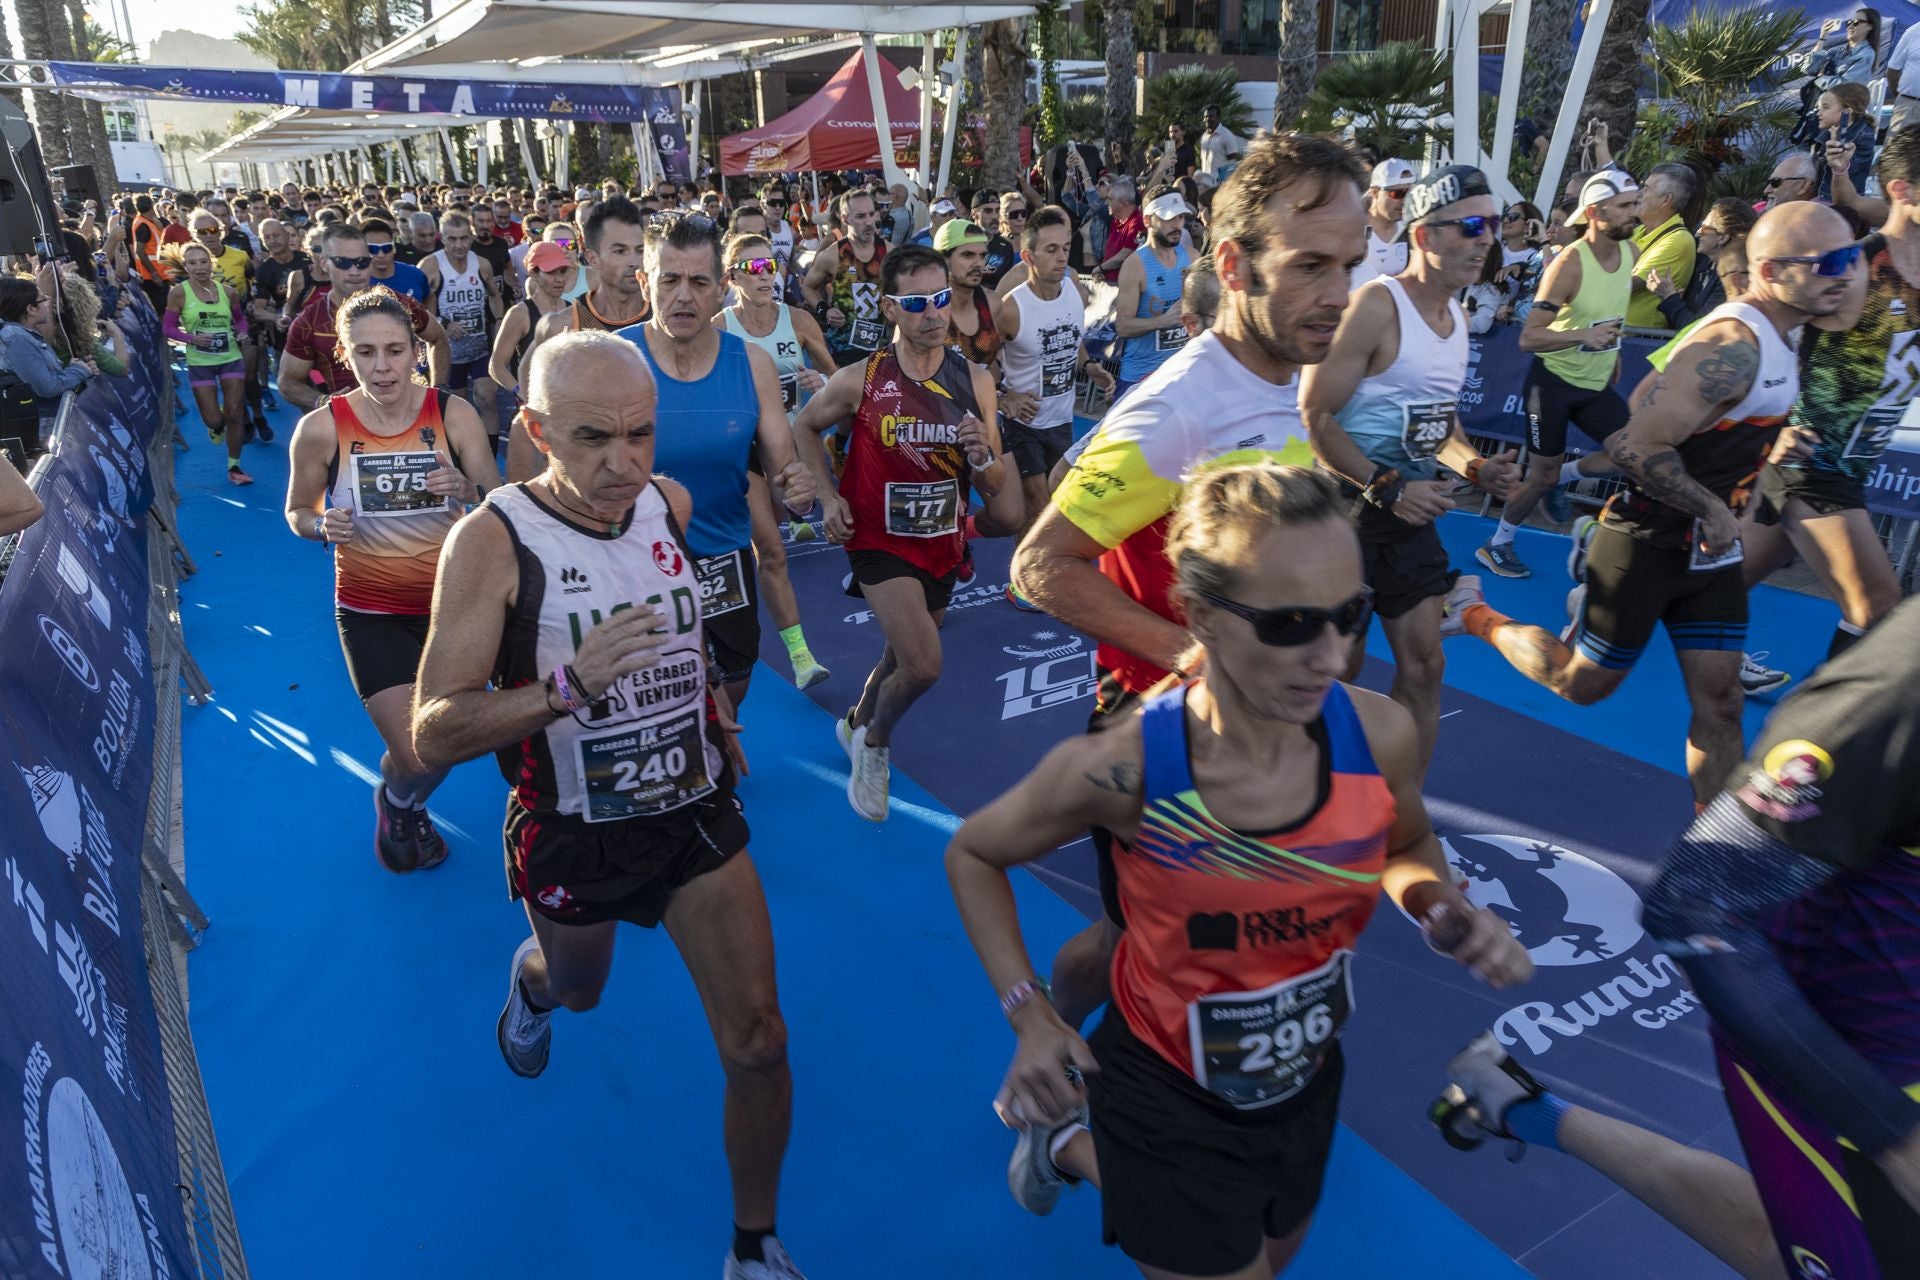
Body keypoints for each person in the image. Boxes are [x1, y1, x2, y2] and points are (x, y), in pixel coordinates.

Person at [951, 462, 1532, 1279]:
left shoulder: (1380, 734)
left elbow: (1403, 844)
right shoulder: (1125, 767)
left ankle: (1067, 1145)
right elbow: (974, 853)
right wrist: (1031, 1015)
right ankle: (1098, 1146)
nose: (1331, 656)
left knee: (1272, 1250)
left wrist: (1440, 906)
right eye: (1291, 623)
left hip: (1305, 1079)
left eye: (1349, 616)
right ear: (1201, 616)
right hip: (1163, 1091)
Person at [409, 331, 807, 1280]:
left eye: (640, 433)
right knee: (581, 992)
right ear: (536, 429)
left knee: (759, 1041)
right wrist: (565, 690)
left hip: (692, 812)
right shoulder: (494, 539)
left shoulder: (664, 504)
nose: (623, 462)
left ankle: (753, 1248)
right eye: (593, 438)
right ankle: (534, 982)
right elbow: (433, 730)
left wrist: (713, 710)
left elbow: (680, 626)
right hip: (574, 831)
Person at [1436, 596, 1920, 1280]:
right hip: (1852, 1055)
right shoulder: (1903, 683)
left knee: (1788, 1255)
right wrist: (1896, 1136)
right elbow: (1695, 905)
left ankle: (1516, 1106)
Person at [1011, 132, 1370, 1037]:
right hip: (1162, 726)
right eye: (1310, 265)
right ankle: (1053, 1045)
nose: (1338, 294)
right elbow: (1037, 566)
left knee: (1216, 943)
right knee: (1143, 947)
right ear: (1234, 266)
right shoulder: (1182, 405)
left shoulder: (1292, 373)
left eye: (1352, 265)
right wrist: (1200, 658)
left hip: (1268, 725)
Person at [1444, 201, 1860, 811]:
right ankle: (1476, 613)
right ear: (1771, 272)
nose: (1845, 276)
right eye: (1829, 262)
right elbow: (1636, 442)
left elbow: (1645, 391)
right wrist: (1714, 509)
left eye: (1850, 258)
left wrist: (1770, 438)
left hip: (1708, 555)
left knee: (1720, 704)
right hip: (1647, 536)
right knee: (1580, 685)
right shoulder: (1734, 344)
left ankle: (1715, 852)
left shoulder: (1790, 326)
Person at [1302, 165, 1523, 778]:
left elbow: (1441, 430)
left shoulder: (1455, 319)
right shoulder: (1377, 305)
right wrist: (1386, 486)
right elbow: (1315, 416)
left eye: (1494, 225)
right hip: (1342, 516)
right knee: (1335, 674)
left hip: (1406, 518)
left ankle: (1404, 813)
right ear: (1425, 237)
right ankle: (1316, 792)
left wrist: (1476, 467)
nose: (1487, 239)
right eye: (1471, 226)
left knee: (1425, 667)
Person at [791, 245, 1024, 821]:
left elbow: (995, 486)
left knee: (899, 654)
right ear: (891, 309)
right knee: (923, 664)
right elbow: (805, 425)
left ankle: (853, 722)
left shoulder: (975, 380)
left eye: (941, 298)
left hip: (942, 541)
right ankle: (874, 745)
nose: (934, 314)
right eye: (918, 303)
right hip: (876, 538)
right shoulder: (861, 379)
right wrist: (825, 496)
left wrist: (983, 458)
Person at [284, 287, 498, 872]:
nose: (383, 366)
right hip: (369, 607)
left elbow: (495, 500)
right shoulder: (321, 428)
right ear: (345, 358)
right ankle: (400, 795)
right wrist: (321, 524)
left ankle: (399, 800)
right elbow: (296, 512)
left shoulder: (452, 414)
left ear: (416, 352)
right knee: (419, 750)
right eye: (367, 352)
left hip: (451, 606)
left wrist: (465, 490)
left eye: (396, 350)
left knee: (444, 744)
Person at [611, 212, 818, 710]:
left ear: (722, 286)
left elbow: (782, 467)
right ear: (645, 282)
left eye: (699, 281)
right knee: (656, 703)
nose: (684, 295)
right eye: (670, 280)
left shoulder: (751, 364)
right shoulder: (612, 361)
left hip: (724, 561)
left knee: (734, 689)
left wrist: (799, 485)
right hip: (633, 566)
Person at [1742, 128, 1920, 667]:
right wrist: (1766, 426)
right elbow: (1753, 323)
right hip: (1808, 460)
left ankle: (1604, 587)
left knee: (1711, 584)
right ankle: (1822, 736)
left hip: (1852, 465)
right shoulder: (1856, 264)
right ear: (1902, 191)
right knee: (1879, 608)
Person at [1477, 170, 1642, 578]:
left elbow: (1614, 311)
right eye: (1625, 206)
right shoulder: (1569, 264)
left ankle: (1563, 478)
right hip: (1552, 385)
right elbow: (1528, 338)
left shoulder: (1632, 253)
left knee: (1633, 455)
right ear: (1594, 212)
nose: (1635, 214)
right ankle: (1497, 544)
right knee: (1538, 477)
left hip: (1596, 382)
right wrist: (1584, 334)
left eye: (1636, 203)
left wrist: (1613, 348)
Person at [716, 230, 836, 691]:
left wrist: (818, 382)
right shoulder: (721, 328)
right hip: (746, 450)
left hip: (790, 444)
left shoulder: (799, 320)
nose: (768, 275)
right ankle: (800, 655)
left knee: (791, 514)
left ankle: (798, 511)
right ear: (734, 277)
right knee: (770, 548)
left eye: (772, 265)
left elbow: (836, 376)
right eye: (756, 267)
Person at [998, 205, 1117, 604]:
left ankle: (1046, 572)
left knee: (1058, 505)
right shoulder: (1011, 307)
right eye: (1050, 250)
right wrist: (1006, 397)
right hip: (1023, 422)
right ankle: (1020, 583)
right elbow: (974, 362)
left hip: (1061, 417)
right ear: (1027, 256)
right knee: (1035, 502)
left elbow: (1073, 338)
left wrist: (1090, 366)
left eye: (1065, 248)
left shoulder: (1075, 291)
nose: (1062, 257)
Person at [280, 223, 451, 411]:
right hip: (350, 427)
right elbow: (287, 382)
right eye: (343, 263)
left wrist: (438, 392)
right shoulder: (310, 322)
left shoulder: (399, 304)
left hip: (409, 418)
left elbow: (438, 338)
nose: (354, 271)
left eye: (362, 262)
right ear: (323, 263)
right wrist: (322, 402)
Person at [166, 243, 253, 485]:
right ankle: (216, 427)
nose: (199, 267)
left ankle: (234, 466)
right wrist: (192, 338)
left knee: (235, 413)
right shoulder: (179, 293)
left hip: (230, 358)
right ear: (186, 267)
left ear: (211, 264)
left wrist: (242, 333)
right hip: (200, 361)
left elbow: (240, 320)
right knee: (214, 419)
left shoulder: (228, 292)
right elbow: (168, 328)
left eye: (203, 262)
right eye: (192, 263)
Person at [423, 210, 506, 442]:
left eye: (464, 238)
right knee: (458, 408)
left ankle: (490, 452)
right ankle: (462, 456)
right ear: (442, 237)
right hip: (446, 352)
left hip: (479, 347)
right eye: (452, 239)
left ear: (471, 237)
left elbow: (494, 296)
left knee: (487, 398)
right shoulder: (431, 266)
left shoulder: (481, 264)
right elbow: (419, 310)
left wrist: (499, 321)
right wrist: (444, 323)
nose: (459, 245)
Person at [1111, 186, 1194, 402]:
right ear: (1147, 221)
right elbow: (1123, 326)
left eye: (1180, 217)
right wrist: (1161, 321)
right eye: (1168, 219)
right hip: (1141, 378)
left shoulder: (1192, 258)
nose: (1177, 225)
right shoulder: (1135, 265)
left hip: (1182, 377)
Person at [0, 277, 91, 461]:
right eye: (43, 299)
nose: (48, 302)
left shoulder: (25, 335)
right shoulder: (16, 338)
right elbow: (46, 387)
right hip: (46, 432)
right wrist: (79, 371)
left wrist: (78, 367)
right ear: (30, 309)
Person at [488, 240, 578, 418]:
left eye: (562, 271)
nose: (559, 278)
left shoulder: (573, 310)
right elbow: (496, 366)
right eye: (551, 272)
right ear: (534, 274)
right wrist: (521, 393)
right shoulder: (520, 314)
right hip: (535, 410)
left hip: (568, 407)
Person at [802, 189, 889, 371]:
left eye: (872, 214)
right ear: (845, 219)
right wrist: (824, 310)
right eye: (860, 216)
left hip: (882, 348)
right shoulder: (832, 255)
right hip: (843, 349)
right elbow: (808, 287)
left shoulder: (890, 253)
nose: (868, 222)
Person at [1648, 197, 1755, 330]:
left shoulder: (1732, 280)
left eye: (1705, 229)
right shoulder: (1704, 264)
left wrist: (1669, 297)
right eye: (1700, 227)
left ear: (1723, 237)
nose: (1698, 233)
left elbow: (1699, 329)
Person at [1626, 164, 1700, 329]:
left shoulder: (1679, 240)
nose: (1638, 193)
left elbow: (1626, 286)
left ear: (1665, 199)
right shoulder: (1639, 231)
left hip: (1634, 340)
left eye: (1646, 188)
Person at [938, 218, 1005, 374]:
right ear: (944, 260)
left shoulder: (992, 303)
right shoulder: (923, 308)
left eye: (982, 256)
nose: (978, 264)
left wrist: (1003, 395)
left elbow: (992, 365)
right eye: (968, 255)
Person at [1350, 159, 1414, 288]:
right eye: (1397, 194)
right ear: (1375, 192)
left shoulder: (1410, 228)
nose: (1404, 201)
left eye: (1409, 193)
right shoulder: (1354, 229)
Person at [1811, 82, 1876, 200]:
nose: (1819, 112)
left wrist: (1836, 154)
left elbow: (1846, 170)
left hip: (1845, 203)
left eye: (1825, 107)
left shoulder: (1863, 137)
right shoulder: (1830, 129)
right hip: (1822, 196)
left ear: (1847, 113)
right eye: (1819, 107)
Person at [362, 217, 430, 302]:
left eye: (386, 248)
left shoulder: (415, 275)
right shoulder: (356, 281)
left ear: (394, 247)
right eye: (373, 249)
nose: (381, 255)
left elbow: (430, 297)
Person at [1097, 176, 1145, 285]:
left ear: (1122, 203)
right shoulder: (1117, 221)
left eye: (1110, 199)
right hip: (1110, 284)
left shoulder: (1137, 222)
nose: (1106, 203)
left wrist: (1101, 268)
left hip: (1125, 287)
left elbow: (1125, 255)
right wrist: (1103, 271)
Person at [971, 192, 1018, 290]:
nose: (994, 216)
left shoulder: (1005, 247)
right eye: (988, 211)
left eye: (997, 211)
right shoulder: (962, 244)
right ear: (974, 214)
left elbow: (1006, 286)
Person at [1197, 104, 1245, 182]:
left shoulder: (1227, 136)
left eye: (1211, 116)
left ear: (1218, 118)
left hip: (1219, 184)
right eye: (1206, 116)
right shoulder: (1204, 136)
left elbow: (1232, 162)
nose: (1207, 119)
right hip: (1204, 182)